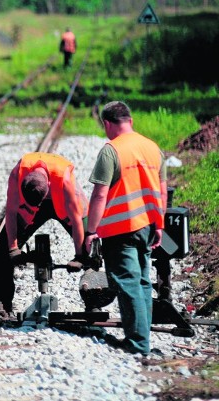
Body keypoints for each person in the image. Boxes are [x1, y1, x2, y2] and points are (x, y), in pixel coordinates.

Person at [84, 101, 167, 355]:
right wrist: (160, 224)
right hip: (148, 225)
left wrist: (90, 231)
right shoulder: (153, 148)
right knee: (142, 282)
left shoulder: (111, 150)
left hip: (121, 229)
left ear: (107, 124)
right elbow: (162, 191)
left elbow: (99, 195)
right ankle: (142, 339)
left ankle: (138, 343)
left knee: (128, 283)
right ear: (130, 121)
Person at [0, 152, 90, 314]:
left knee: (90, 245)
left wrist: (80, 256)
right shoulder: (18, 174)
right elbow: (10, 212)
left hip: (64, 203)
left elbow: (76, 219)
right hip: (33, 206)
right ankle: (2, 301)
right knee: (1, 249)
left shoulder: (64, 180)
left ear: (49, 186)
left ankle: (93, 299)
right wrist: (13, 248)